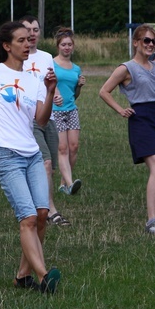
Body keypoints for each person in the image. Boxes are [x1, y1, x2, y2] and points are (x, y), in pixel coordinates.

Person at [0, 21, 61, 294]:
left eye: (29, 40)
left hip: (31, 154)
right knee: (28, 218)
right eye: (21, 40)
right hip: (5, 155)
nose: (27, 43)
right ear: (7, 46)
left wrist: (51, 91)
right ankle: (43, 277)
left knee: (42, 214)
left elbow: (40, 121)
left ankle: (22, 276)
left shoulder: (34, 79)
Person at [99, 24, 155, 235]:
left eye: (153, 41)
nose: (150, 44)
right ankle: (151, 220)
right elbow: (104, 91)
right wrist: (120, 110)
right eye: (146, 40)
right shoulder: (126, 68)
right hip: (142, 119)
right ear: (136, 43)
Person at [19, 15, 71, 227]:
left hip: (47, 116)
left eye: (35, 29)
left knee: (46, 166)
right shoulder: (16, 57)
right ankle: (49, 209)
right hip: (29, 118)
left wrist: (56, 93)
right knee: (46, 163)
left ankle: (34, 203)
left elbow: (50, 83)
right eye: (27, 30)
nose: (32, 34)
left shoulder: (46, 57)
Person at [52, 27, 85, 195]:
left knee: (74, 146)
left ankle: (64, 183)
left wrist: (79, 86)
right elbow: (45, 87)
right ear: (58, 46)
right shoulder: (51, 64)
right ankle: (71, 184)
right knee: (62, 148)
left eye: (69, 45)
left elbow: (74, 95)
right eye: (63, 44)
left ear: (73, 47)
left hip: (71, 110)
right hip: (55, 111)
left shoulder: (76, 68)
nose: (66, 47)